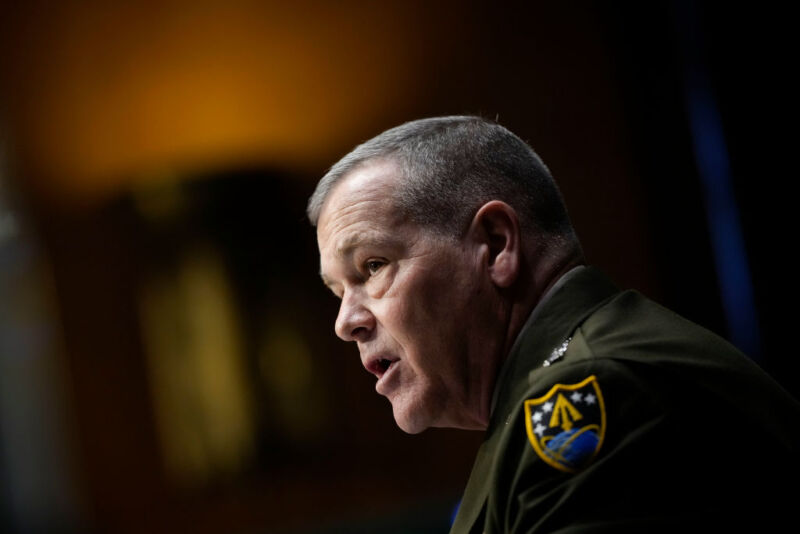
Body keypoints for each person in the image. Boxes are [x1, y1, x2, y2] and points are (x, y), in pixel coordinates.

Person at [307, 116, 800, 533]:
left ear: (497, 245)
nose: (346, 322)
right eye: (338, 291)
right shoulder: (552, 392)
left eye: (372, 266)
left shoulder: (601, 394)